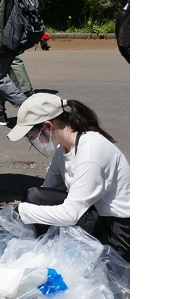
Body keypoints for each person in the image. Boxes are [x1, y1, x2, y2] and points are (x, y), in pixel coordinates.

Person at [7, 94, 130, 260]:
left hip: (119, 230)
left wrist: (21, 211)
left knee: (31, 209)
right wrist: (23, 213)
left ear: (48, 126)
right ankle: (42, 254)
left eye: (32, 136)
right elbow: (44, 194)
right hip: (94, 214)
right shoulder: (63, 150)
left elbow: (71, 214)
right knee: (33, 197)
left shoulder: (90, 152)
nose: (33, 141)